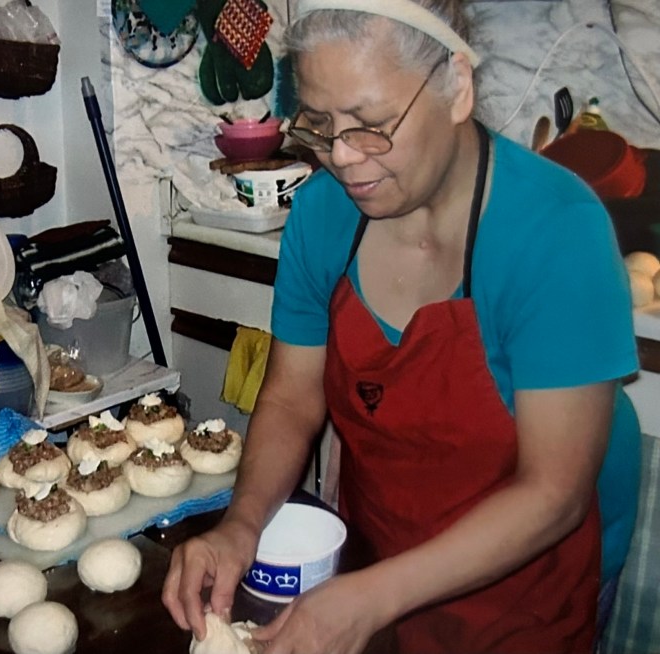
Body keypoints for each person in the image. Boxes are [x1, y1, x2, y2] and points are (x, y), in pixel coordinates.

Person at [161, 0, 642, 652]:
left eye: (373, 124)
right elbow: (291, 395)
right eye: (321, 124)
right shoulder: (323, 213)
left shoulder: (556, 230)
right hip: (376, 558)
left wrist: (372, 597)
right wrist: (240, 528)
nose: (345, 158)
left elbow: (553, 494)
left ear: (457, 87)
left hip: (523, 593)